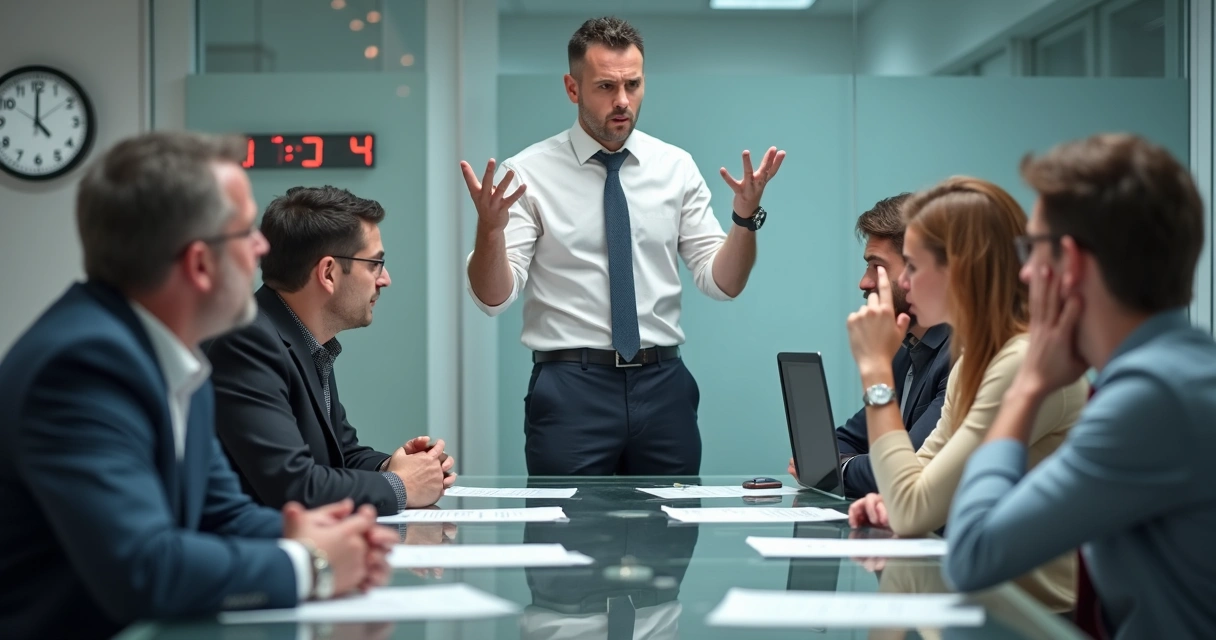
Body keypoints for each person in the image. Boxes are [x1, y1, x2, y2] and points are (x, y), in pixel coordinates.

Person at [0, 132, 397, 639]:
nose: (261, 250)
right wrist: (310, 566)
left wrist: (307, 533)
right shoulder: (84, 365)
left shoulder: (172, 355)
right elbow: (144, 569)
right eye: (244, 233)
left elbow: (222, 512)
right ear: (199, 263)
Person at [462, 16, 785, 476]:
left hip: (663, 384)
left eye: (633, 84)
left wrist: (744, 220)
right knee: (567, 543)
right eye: (605, 86)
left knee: (668, 542)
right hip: (571, 387)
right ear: (573, 89)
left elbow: (723, 282)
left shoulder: (675, 167)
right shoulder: (527, 173)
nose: (622, 101)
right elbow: (492, 297)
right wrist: (489, 231)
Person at [944, 134, 1216, 638]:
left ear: (1071, 263)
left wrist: (1026, 389)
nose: (1024, 272)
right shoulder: (1179, 371)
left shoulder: (1151, 399)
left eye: (1032, 249)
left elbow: (973, 554)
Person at [845, 176, 1088, 613]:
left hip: (1032, 620)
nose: (906, 284)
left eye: (914, 267)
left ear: (960, 268)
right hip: (976, 602)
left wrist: (875, 370)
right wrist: (893, 500)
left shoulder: (1021, 360)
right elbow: (916, 480)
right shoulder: (976, 357)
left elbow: (913, 508)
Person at [205, 186, 455, 516]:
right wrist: (402, 486)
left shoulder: (300, 337)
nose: (385, 280)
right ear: (328, 273)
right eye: (375, 265)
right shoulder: (246, 342)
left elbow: (342, 454)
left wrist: (393, 467)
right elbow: (294, 486)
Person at [786, 194, 953, 497]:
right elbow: (839, 443)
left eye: (876, 267)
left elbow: (901, 470)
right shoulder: (906, 350)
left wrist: (838, 470)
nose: (864, 283)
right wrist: (837, 464)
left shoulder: (957, 357)